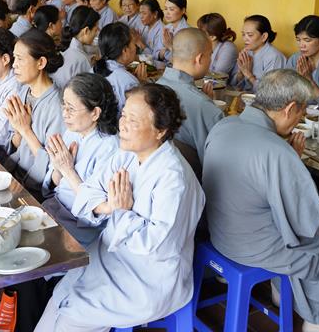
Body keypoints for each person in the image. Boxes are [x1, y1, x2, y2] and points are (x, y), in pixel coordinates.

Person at [203, 69, 319, 332]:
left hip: (221, 235)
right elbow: (306, 226)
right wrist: (290, 161)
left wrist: (286, 157)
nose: (300, 118)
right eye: (301, 112)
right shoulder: (275, 151)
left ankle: (282, 292)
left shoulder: (224, 125)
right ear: (289, 109)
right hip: (255, 248)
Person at [36, 84, 206, 331]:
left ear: (161, 130)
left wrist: (122, 211)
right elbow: (88, 192)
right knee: (59, 298)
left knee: (73, 316)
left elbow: (152, 242)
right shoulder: (127, 153)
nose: (122, 125)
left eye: (133, 120)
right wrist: (109, 207)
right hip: (110, 255)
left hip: (147, 277)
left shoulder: (172, 177)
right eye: (123, 115)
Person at [41, 73, 119, 247]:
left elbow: (98, 212)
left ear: (95, 113)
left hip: (79, 226)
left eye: (71, 109)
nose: (65, 114)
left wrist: (68, 170)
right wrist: (57, 168)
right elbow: (52, 186)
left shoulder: (110, 148)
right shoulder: (72, 132)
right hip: (55, 208)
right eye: (64, 106)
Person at [4, 29, 65, 195]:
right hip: (14, 173)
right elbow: (15, 144)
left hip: (33, 188)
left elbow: (53, 166)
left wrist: (25, 129)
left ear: (41, 63)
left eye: (20, 59)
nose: (14, 64)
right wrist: (17, 129)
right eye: (14, 58)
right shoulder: (24, 91)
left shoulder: (58, 106)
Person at [156, 28, 223, 161]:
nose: (210, 61)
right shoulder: (203, 105)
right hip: (189, 176)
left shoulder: (152, 88)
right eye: (210, 55)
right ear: (199, 58)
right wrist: (206, 105)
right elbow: (216, 159)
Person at [93, 22, 147, 112]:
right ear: (125, 50)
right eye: (133, 44)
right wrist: (141, 87)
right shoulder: (129, 81)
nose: (135, 48)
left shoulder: (93, 70)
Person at [231, 14, 286, 91]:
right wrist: (240, 73)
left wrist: (249, 74)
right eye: (243, 34)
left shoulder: (274, 57)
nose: (245, 39)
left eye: (250, 35)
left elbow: (269, 91)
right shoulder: (246, 52)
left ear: (264, 37)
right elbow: (232, 84)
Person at [51, 6, 100, 89]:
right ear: (86, 30)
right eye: (95, 30)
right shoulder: (81, 59)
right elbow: (88, 90)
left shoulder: (66, 47)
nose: (97, 33)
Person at [197, 12, 238, 80]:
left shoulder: (228, 48)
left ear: (212, 37)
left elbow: (216, 75)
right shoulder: (202, 45)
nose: (197, 34)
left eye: (201, 32)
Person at [156, 0, 191, 65]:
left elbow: (184, 61)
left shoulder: (188, 32)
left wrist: (169, 47)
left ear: (183, 10)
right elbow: (156, 53)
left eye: (171, 9)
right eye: (165, 9)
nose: (167, 13)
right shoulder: (166, 28)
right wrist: (168, 53)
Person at [131, 0, 166, 68]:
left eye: (144, 13)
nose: (141, 16)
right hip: (143, 64)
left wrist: (140, 44)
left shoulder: (162, 30)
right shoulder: (144, 26)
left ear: (155, 14)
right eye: (140, 13)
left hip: (157, 68)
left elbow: (157, 57)